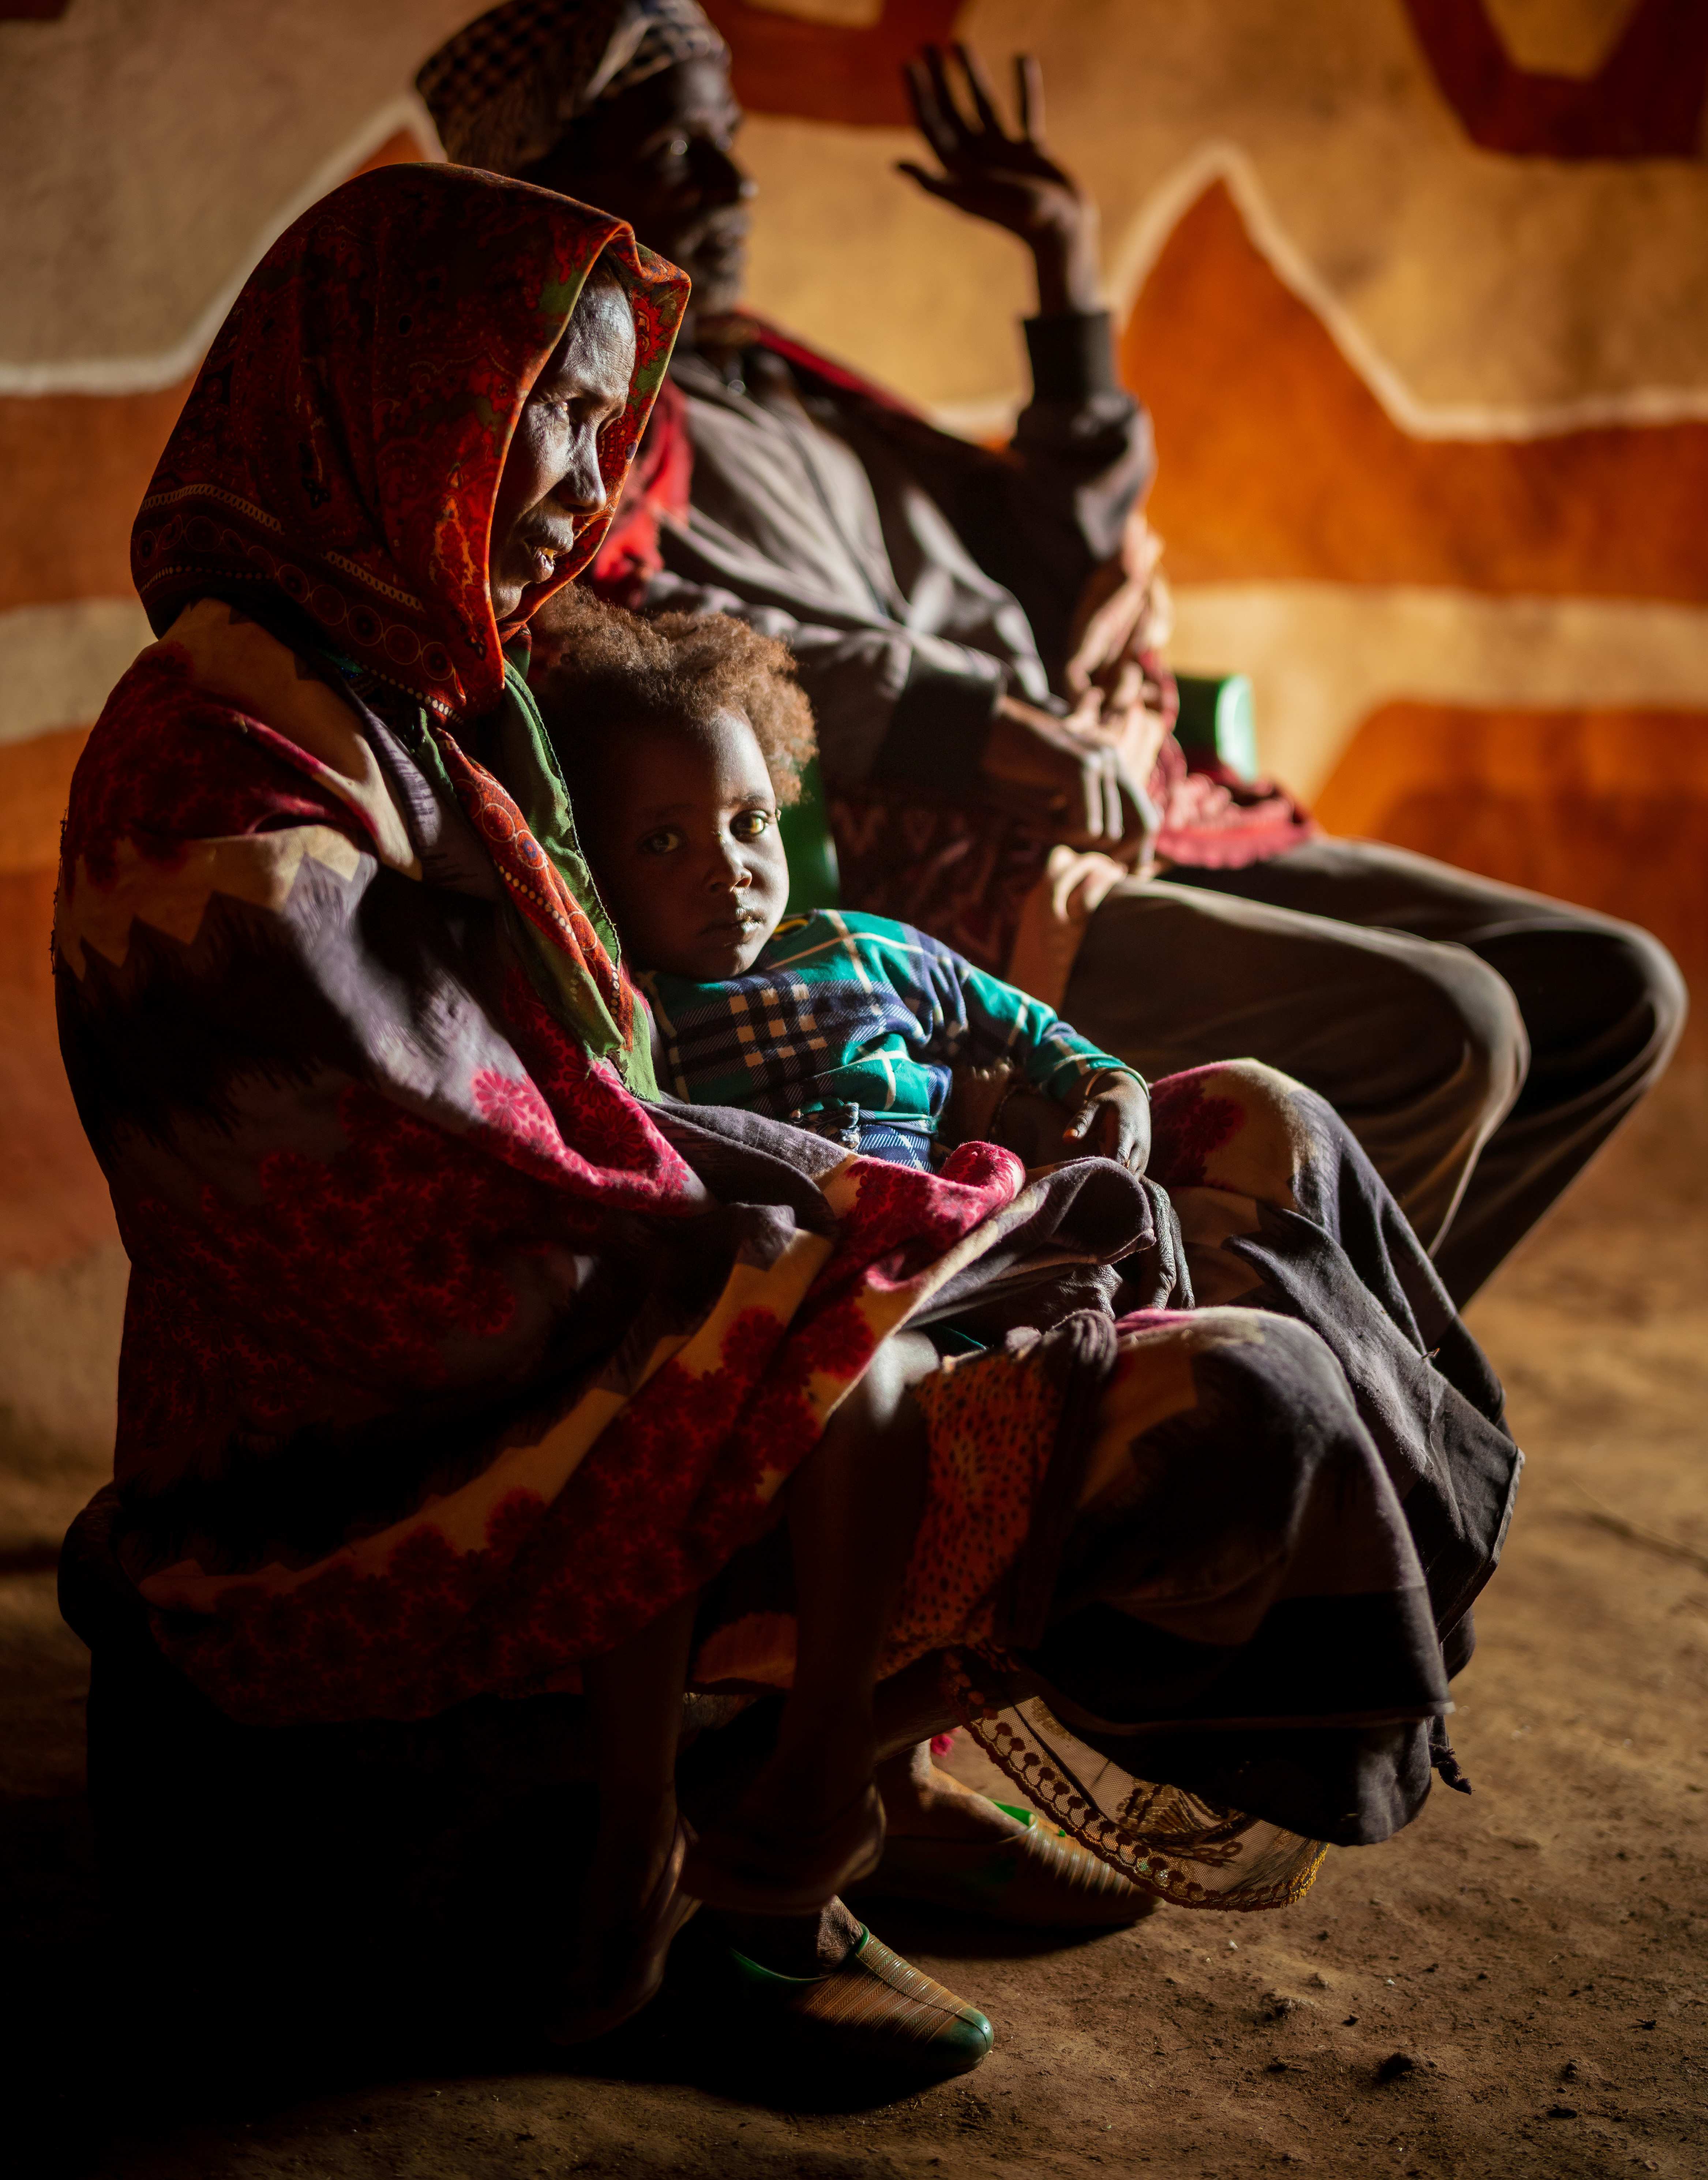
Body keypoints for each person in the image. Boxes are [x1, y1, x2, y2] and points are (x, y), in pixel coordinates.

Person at [55, 161, 1519, 2084]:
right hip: (424, 1488)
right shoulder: (229, 786)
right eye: (536, 412)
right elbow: (474, 1262)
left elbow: (629, 1121)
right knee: (1220, 1397)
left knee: (1246, 1129)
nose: (583, 477)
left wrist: (933, 1187)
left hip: (671, 1289)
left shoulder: (436, 698)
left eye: (597, 419)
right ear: (387, 398)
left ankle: (836, 1749)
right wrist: (877, 1214)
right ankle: (753, 1814)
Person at [417, 0, 1686, 1311]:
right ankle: (1238, 1420)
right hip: (963, 864)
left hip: (1127, 795)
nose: (737, 185)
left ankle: (1341, 1368)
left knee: (1612, 992)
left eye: (731, 140)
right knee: (1451, 1035)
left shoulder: (780, 382)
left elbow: (1056, 555)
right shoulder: (575, 440)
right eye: (680, 150)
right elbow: (644, 646)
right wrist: (982, 722)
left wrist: (1063, 265)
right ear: (555, 192)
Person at [533, 592, 1152, 1179]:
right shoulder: (634, 1018)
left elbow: (1031, 1032)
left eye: (750, 822)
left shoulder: (866, 950)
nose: (729, 868)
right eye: (662, 842)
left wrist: (1109, 1084)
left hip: (948, 1202)